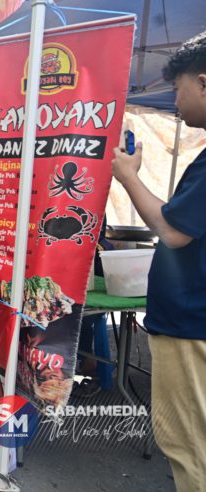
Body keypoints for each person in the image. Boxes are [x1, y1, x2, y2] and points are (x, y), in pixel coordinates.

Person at [111, 32, 206, 492]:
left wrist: (128, 177)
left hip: (191, 325)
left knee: (190, 448)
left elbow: (172, 231)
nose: (175, 101)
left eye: (178, 88)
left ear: (203, 83)